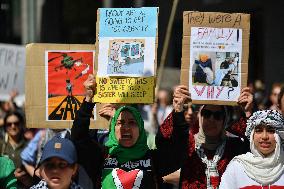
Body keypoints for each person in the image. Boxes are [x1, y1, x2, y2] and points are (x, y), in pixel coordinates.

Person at [71, 74, 184, 189]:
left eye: (132, 122)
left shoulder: (154, 160)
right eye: (120, 123)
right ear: (113, 128)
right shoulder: (101, 156)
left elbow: (178, 151)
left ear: (140, 128)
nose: (126, 127)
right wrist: (89, 100)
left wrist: (178, 111)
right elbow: (78, 138)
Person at [155, 85, 253, 189]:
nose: (211, 119)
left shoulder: (235, 146)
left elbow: (253, 146)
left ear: (224, 120)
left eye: (217, 115)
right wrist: (177, 110)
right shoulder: (187, 144)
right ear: (200, 117)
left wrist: (247, 112)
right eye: (207, 114)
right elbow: (163, 141)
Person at [219, 110, 284, 188]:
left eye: (270, 131)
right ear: (252, 135)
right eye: (259, 131)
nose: (264, 137)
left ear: (279, 135)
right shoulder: (237, 167)